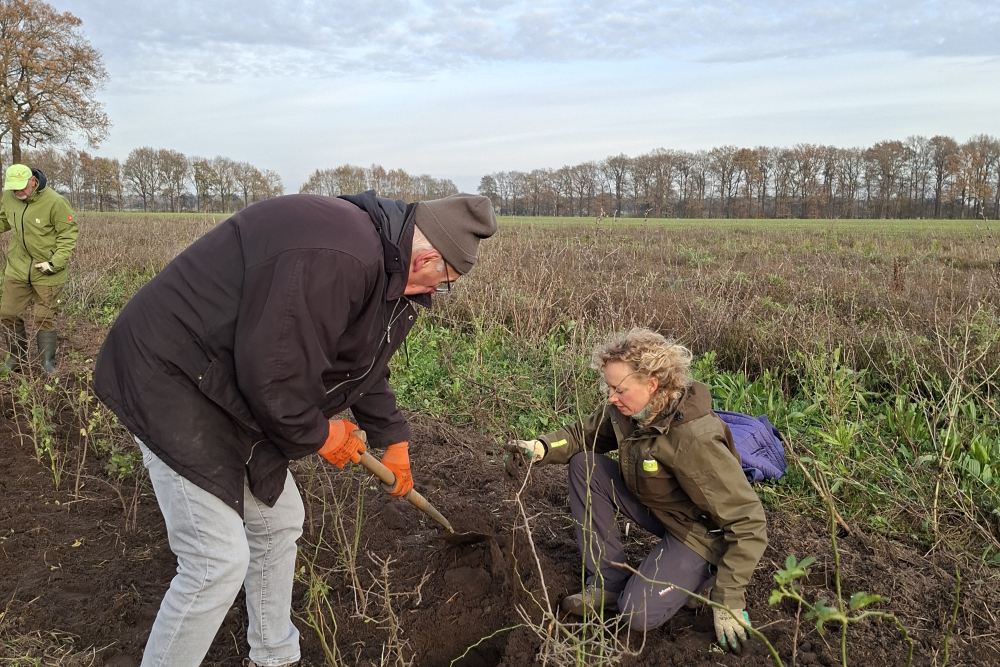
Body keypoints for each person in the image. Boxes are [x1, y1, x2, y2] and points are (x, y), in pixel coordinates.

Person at [94, 190, 497, 667]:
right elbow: (271, 374)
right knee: (215, 563)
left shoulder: (391, 273)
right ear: (428, 256)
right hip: (172, 378)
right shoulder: (340, 255)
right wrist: (322, 434)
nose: (436, 293)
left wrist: (393, 437)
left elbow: (363, 363)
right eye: (443, 281)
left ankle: (274, 656)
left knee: (279, 520)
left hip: (227, 388)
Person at [507, 328, 767, 653]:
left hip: (697, 534)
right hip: (660, 507)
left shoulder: (694, 440)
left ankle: (707, 576)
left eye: (619, 389)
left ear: (652, 384)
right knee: (586, 466)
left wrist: (728, 599)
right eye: (609, 387)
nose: (611, 397)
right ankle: (608, 584)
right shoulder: (631, 411)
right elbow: (582, 435)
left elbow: (749, 522)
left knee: (637, 614)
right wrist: (541, 447)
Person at [0, 164, 77, 374]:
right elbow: (4, 220)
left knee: (44, 316)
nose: (17, 193)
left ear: (32, 181)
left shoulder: (55, 202)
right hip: (17, 266)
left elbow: (68, 234)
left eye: (21, 188)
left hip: (47, 269)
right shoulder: (9, 197)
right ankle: (15, 359)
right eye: (13, 188)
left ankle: (47, 364)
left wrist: (54, 263)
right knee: (8, 313)